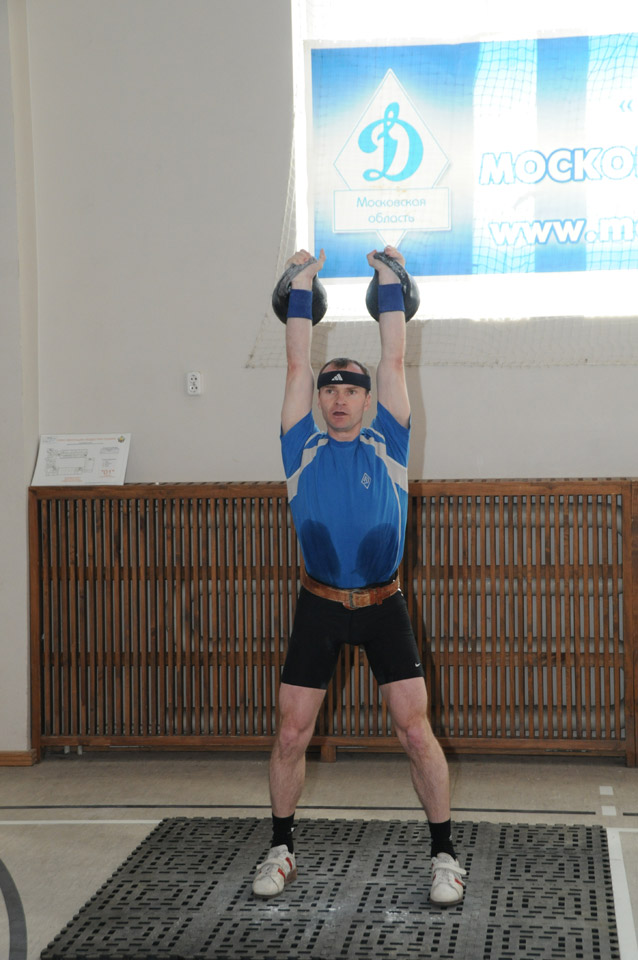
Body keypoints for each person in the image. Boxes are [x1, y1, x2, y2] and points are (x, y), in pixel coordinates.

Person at [252, 246, 466, 906]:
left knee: (414, 730)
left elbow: (394, 357)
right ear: (318, 400)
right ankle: (281, 847)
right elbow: (296, 361)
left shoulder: (390, 442)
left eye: (350, 389)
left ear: (369, 399)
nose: (339, 397)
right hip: (319, 604)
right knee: (292, 733)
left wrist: (388, 282)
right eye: (330, 389)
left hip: (382, 605)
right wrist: (300, 286)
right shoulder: (299, 446)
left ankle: (444, 856)